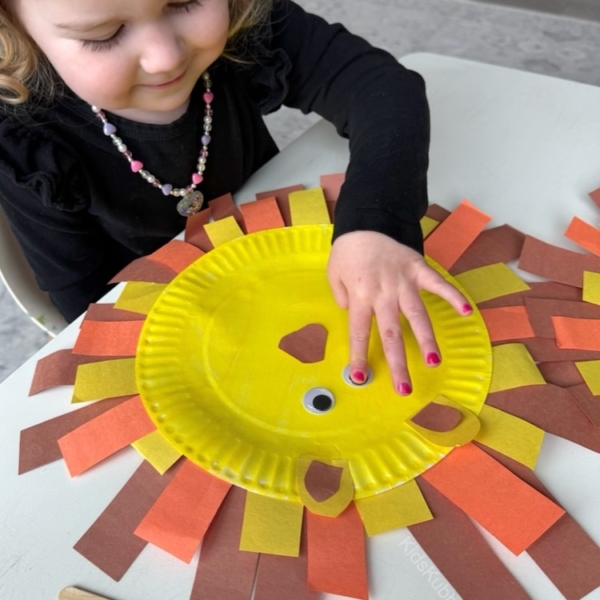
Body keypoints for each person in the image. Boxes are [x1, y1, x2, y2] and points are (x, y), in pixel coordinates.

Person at [0, 0, 471, 395]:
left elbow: (383, 90)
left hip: (289, 268)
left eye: (184, 1)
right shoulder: (26, 143)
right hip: (169, 330)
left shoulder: (248, 22)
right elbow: (82, 297)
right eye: (103, 35)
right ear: (15, 28)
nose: (165, 56)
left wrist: (377, 219)